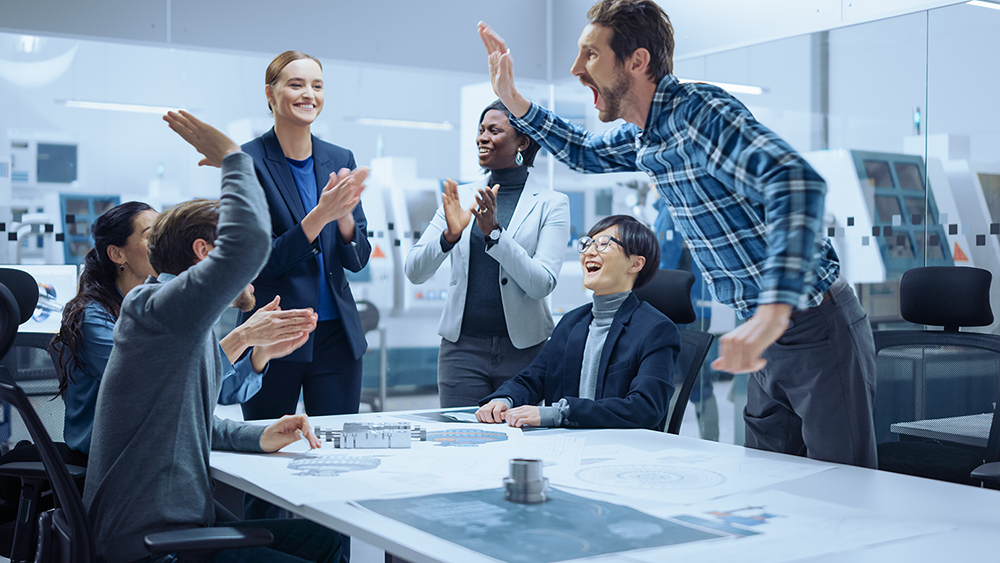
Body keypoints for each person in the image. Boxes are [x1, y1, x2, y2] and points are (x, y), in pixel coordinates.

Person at [478, 0, 877, 467]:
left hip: (811, 322)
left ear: (637, 60)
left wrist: (772, 312)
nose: (575, 69)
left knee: (845, 490)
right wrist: (513, 98)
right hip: (765, 334)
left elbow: (796, 184)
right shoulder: (650, 136)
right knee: (774, 484)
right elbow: (585, 152)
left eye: (590, 55)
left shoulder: (698, 114)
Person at [83, 110, 342, 563]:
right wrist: (232, 158)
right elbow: (250, 244)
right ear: (205, 253)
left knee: (327, 538)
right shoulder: (156, 308)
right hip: (153, 546)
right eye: (232, 261)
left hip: (180, 525)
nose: (253, 274)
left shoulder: (177, 320)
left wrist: (259, 436)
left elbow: (197, 424)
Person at [50, 203, 317, 456]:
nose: (159, 242)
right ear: (117, 254)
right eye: (150, 235)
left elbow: (212, 394)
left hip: (164, 447)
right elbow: (155, 389)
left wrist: (260, 354)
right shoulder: (94, 316)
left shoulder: (175, 308)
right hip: (116, 458)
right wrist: (242, 337)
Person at [406, 99, 571, 408]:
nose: (482, 137)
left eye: (494, 130)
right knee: (458, 444)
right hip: (461, 352)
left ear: (522, 141)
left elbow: (542, 284)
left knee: (518, 445)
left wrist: (495, 234)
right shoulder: (461, 197)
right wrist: (449, 236)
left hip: (524, 353)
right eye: (481, 130)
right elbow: (415, 271)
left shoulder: (552, 203)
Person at [239, 50, 371, 421]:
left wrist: (343, 217)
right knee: (267, 449)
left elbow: (358, 259)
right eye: (295, 84)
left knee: (336, 448)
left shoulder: (339, 157)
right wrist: (319, 216)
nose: (308, 94)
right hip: (274, 331)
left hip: (337, 338)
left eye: (317, 85)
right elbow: (257, 263)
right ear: (270, 93)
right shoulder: (246, 162)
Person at [476, 215, 678, 429]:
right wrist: (503, 400)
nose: (589, 252)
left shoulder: (656, 330)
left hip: (621, 450)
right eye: (587, 244)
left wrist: (559, 413)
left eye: (603, 244)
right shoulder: (572, 322)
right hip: (566, 445)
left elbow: (645, 409)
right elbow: (533, 378)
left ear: (635, 263)